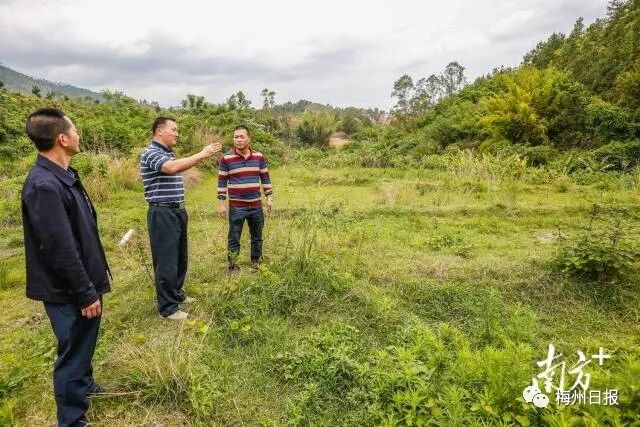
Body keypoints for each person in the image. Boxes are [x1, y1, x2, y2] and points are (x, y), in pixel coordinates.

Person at [22, 108, 111, 426]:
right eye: (75, 130)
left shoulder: (65, 175)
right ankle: (72, 419)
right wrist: (85, 293)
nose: (78, 135)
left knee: (82, 342)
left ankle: (84, 386)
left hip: (82, 279)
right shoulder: (44, 185)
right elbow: (59, 247)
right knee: (73, 350)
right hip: (67, 289)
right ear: (62, 138)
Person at [140, 117, 221, 320]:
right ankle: (167, 308)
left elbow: (174, 165)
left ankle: (176, 294)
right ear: (160, 130)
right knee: (166, 260)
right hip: (162, 213)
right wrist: (202, 154)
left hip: (177, 211)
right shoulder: (151, 153)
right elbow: (171, 168)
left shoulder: (168, 154)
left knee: (179, 257)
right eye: (173, 130)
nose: (177, 133)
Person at [217, 125, 273, 271]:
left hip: (256, 205)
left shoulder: (259, 157)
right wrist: (221, 204)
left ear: (249, 138)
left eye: (242, 136)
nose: (239, 140)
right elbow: (222, 182)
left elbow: (265, 178)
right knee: (234, 237)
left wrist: (269, 197)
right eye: (236, 137)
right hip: (237, 207)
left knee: (257, 236)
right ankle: (232, 265)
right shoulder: (226, 159)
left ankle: (256, 263)